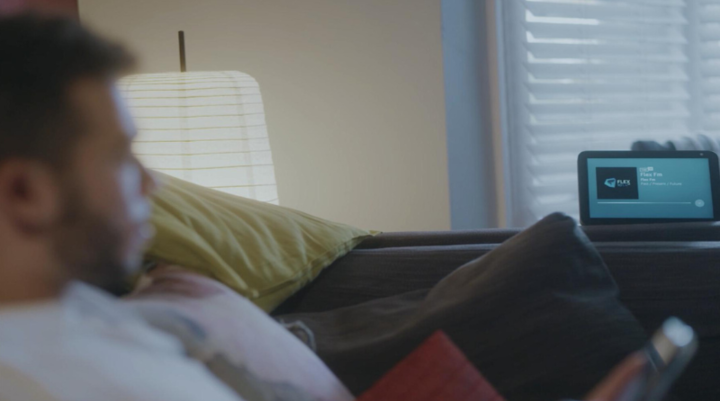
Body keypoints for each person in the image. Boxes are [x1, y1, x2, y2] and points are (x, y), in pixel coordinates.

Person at [0, 13, 650, 401]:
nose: (151, 185)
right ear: (25, 192)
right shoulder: (37, 377)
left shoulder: (96, 317)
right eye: (119, 158)